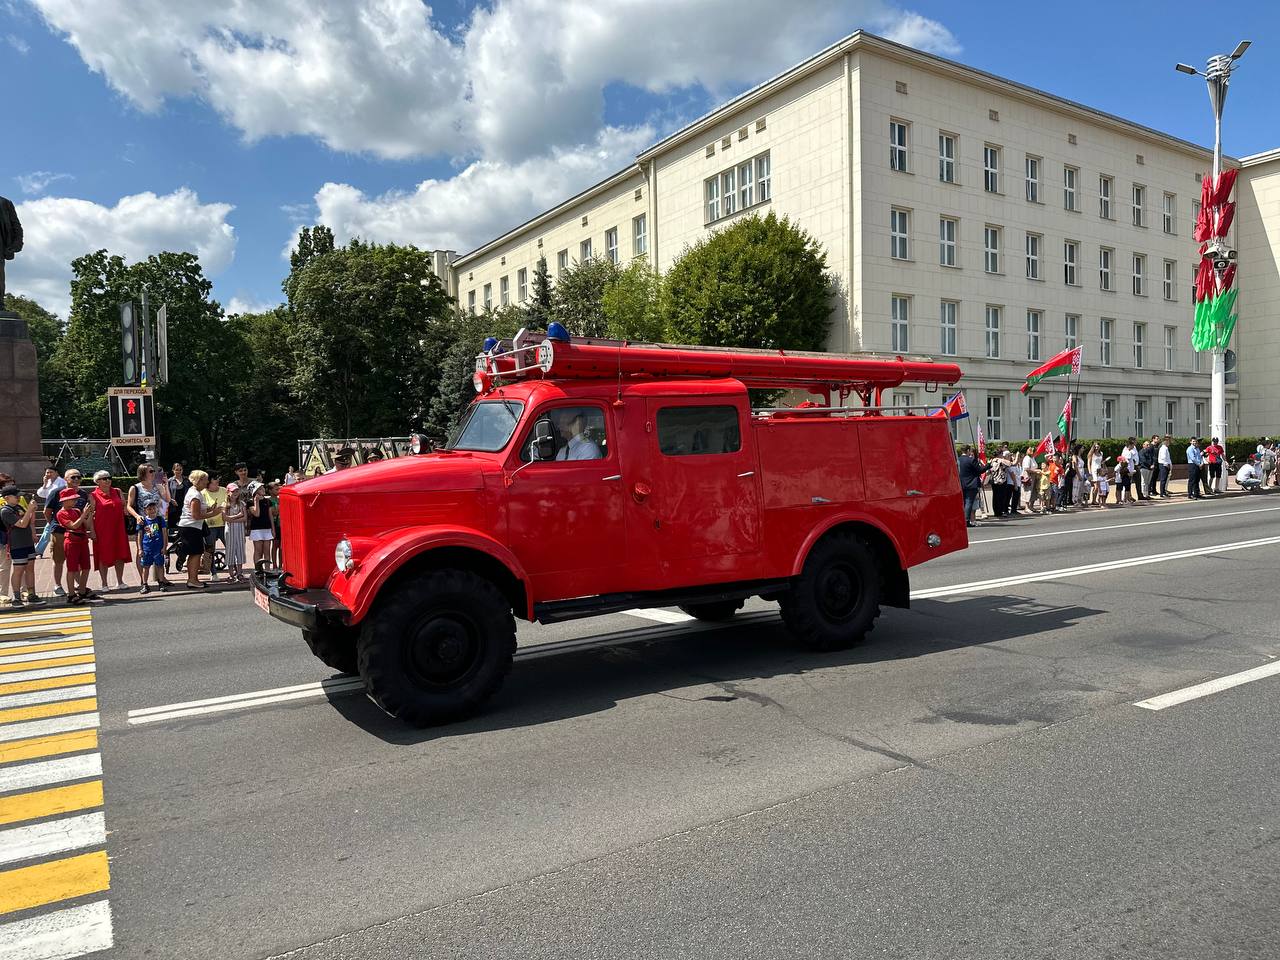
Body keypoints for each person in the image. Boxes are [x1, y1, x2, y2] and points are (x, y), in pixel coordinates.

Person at [127, 464, 170, 581]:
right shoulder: (135, 488)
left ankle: (161, 578)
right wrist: (137, 516)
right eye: (150, 471)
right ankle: (143, 579)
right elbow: (129, 506)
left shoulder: (157, 486)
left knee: (158, 548)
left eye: (153, 471)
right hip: (144, 523)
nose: (153, 473)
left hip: (157, 521)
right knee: (142, 550)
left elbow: (167, 500)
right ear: (143, 473)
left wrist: (166, 486)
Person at [89, 470, 131, 591]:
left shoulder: (117, 491)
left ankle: (120, 581)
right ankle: (104, 583)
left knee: (120, 554)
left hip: (118, 528)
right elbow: (91, 515)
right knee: (103, 555)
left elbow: (124, 506)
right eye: (104, 478)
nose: (107, 480)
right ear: (97, 482)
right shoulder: (93, 495)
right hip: (102, 529)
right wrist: (92, 531)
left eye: (109, 478)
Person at [178, 470, 220, 589]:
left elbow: (199, 511)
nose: (207, 481)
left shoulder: (196, 492)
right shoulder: (195, 495)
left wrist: (210, 509)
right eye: (205, 479)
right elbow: (195, 515)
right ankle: (192, 580)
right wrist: (213, 513)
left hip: (192, 527)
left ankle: (193, 579)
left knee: (195, 553)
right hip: (190, 527)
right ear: (199, 480)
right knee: (195, 554)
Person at [1, 484, 42, 606]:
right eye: (16, 496)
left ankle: (31, 594)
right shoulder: (5, 511)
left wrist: (32, 511)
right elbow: (22, 524)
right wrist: (29, 509)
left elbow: (29, 521)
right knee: (18, 570)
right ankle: (17, 597)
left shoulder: (19, 507)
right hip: (17, 544)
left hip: (27, 542)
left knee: (30, 569)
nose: (18, 498)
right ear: (7, 498)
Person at [56, 487, 95, 604]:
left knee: (86, 567)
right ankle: (71, 593)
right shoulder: (61, 513)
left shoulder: (77, 511)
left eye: (75, 499)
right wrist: (84, 515)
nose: (74, 501)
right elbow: (73, 526)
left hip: (82, 541)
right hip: (72, 542)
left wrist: (90, 514)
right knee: (72, 569)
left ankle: (82, 590)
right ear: (64, 501)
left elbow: (86, 526)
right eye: (72, 499)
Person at [34, 466, 66, 557]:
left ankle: (38, 550)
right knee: (48, 530)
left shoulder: (62, 482)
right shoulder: (48, 482)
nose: (48, 474)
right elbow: (41, 494)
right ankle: (38, 550)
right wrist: (44, 484)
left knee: (48, 530)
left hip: (58, 509)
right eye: (47, 473)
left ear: (57, 473)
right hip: (50, 508)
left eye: (51, 472)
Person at [201, 474, 228, 582]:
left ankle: (234, 570)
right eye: (214, 482)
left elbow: (228, 502)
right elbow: (202, 510)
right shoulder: (203, 493)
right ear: (208, 484)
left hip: (223, 524)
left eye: (218, 482)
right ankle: (213, 572)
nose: (217, 484)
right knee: (210, 550)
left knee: (230, 547)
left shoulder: (224, 490)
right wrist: (211, 510)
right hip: (210, 525)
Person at [167, 462, 191, 570]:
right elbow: (166, 494)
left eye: (180, 469)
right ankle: (177, 550)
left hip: (185, 509)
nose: (178, 471)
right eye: (176, 469)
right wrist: (171, 500)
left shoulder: (187, 481)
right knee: (174, 533)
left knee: (184, 532)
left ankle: (182, 553)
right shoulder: (169, 481)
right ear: (173, 470)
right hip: (173, 510)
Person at [956, 445, 987, 527]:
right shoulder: (971, 460)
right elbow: (980, 470)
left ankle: (962, 520)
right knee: (969, 503)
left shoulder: (957, 460)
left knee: (963, 502)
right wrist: (988, 465)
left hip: (961, 484)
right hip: (971, 484)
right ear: (968, 450)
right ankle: (966, 520)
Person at [247, 481, 275, 568]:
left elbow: (270, 516)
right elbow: (256, 514)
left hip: (267, 528)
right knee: (258, 551)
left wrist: (273, 529)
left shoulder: (267, 501)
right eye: (260, 488)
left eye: (262, 487)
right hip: (256, 529)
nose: (263, 489)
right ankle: (258, 570)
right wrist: (256, 501)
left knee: (267, 551)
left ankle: (267, 570)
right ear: (255, 491)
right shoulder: (250, 502)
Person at [223, 482, 247, 582]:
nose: (235, 493)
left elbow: (244, 517)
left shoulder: (241, 503)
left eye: (237, 491)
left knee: (240, 550)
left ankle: (240, 573)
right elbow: (225, 518)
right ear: (228, 492)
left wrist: (233, 519)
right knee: (230, 550)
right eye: (233, 491)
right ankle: (231, 574)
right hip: (230, 530)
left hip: (239, 529)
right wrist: (238, 516)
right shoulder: (225, 504)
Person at [1020, 447, 1041, 514]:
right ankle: (1027, 507)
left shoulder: (1032, 458)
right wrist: (1036, 471)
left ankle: (1031, 506)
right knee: (1028, 491)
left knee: (1033, 491)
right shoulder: (1027, 458)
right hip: (1028, 476)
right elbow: (1026, 469)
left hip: (1034, 476)